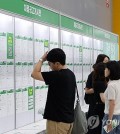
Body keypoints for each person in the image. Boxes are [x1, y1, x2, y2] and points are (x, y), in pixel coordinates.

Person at [31, 48, 76, 134]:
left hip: (57, 123)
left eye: (49, 63)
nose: (49, 66)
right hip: (67, 121)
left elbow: (34, 74)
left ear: (57, 64)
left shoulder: (58, 75)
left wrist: (41, 60)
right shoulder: (70, 74)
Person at [84, 54, 110, 134]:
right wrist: (98, 89)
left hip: (105, 109)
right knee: (93, 128)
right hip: (95, 106)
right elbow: (87, 90)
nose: (106, 64)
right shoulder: (93, 75)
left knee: (104, 129)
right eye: (105, 62)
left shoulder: (108, 77)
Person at [102, 61, 120, 134]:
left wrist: (109, 121)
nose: (104, 70)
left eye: (106, 68)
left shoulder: (111, 85)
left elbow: (112, 104)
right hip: (118, 116)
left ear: (110, 70)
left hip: (111, 117)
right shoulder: (118, 82)